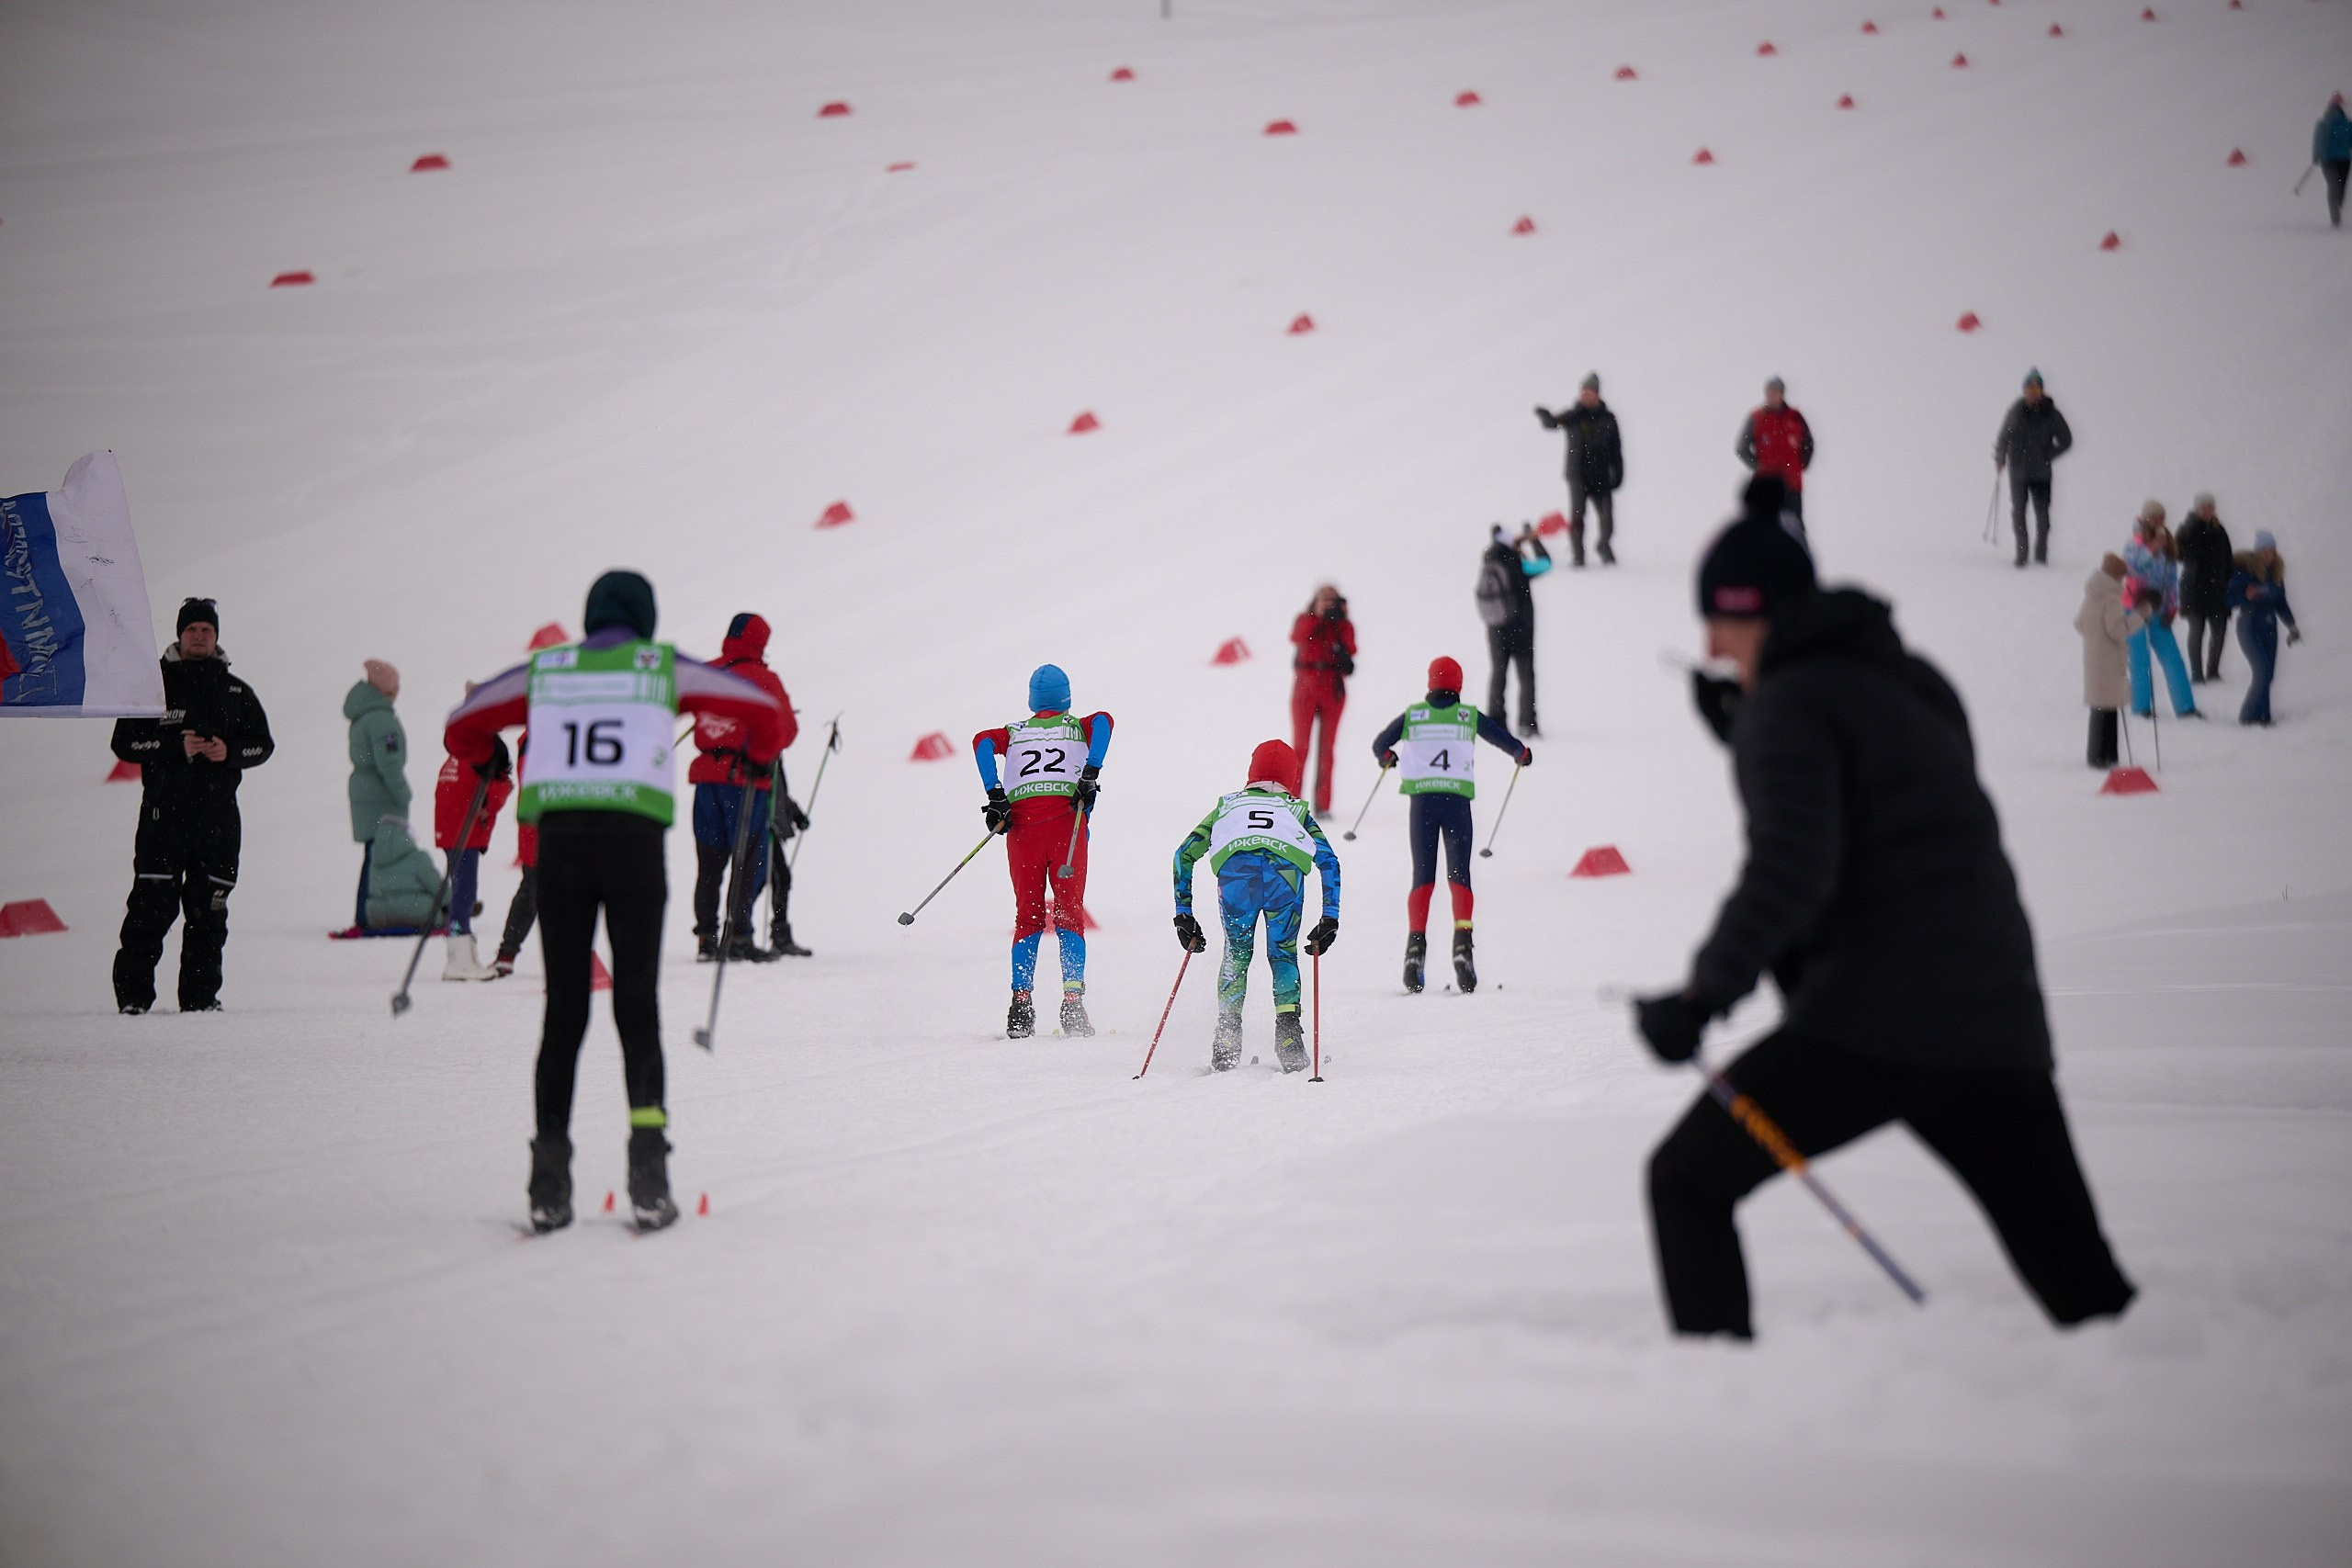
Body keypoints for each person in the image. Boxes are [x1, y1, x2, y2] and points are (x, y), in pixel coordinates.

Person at [1633, 518, 2136, 1341]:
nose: (1711, 644)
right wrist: (1748, 730)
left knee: (1687, 1179)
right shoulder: (1910, 677)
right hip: (1993, 1017)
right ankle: (2169, 1410)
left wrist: (1700, 997)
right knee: (2082, 1285)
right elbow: (1890, 802)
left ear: (1755, 613)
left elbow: (1792, 865)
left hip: (1872, 1024)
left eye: (1720, 620)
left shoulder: (1788, 707)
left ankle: (1717, 1416)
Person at [443, 570, 791, 1234]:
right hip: (632, 845)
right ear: (646, 618)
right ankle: (648, 1166)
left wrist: (485, 751)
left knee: (565, 1010)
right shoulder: (658, 667)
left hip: (561, 847)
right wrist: (757, 752)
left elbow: (463, 723)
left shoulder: (547, 670)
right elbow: (766, 713)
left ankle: (549, 1175)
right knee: (637, 1002)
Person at [108, 598, 275, 1013]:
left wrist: (229, 752)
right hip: (163, 820)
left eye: (206, 630)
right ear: (179, 635)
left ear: (216, 636)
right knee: (150, 910)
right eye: (192, 630)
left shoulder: (236, 690)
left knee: (209, 915)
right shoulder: (153, 685)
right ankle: (133, 1000)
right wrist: (173, 746)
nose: (199, 637)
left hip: (218, 823)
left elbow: (263, 745)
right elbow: (125, 742)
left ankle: (201, 1002)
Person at [1170, 739, 1342, 1072]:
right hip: (1284, 877)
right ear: (1291, 777)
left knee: (1237, 952)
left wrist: (1183, 912)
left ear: (1251, 773)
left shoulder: (1227, 806)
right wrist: (1330, 916)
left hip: (1238, 878)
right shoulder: (1297, 811)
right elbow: (1329, 861)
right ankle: (1289, 1033)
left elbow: (1184, 854)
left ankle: (1227, 1035)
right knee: (1283, 952)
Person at [1368, 655, 1532, 995]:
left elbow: (1380, 744)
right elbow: (1501, 738)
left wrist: (1388, 758)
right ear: (1457, 685)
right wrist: (1520, 753)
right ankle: (1462, 944)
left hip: (1422, 803)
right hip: (1456, 802)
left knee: (1422, 878)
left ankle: (1415, 949)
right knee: (1459, 874)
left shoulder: (1414, 715)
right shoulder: (1467, 716)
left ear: (1430, 683)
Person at [973, 665, 1114, 1040]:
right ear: (1066, 698)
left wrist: (995, 793)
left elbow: (981, 742)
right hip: (1066, 825)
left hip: (1021, 830)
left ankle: (1020, 1005)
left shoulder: (1015, 732)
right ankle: (1072, 1003)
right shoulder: (1079, 724)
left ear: (1032, 701)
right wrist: (1090, 772)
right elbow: (1105, 722)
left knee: (1028, 917)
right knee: (1070, 916)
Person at [687, 613, 797, 963]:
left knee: (709, 863)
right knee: (749, 861)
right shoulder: (764, 679)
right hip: (746, 780)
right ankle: (739, 936)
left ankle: (706, 937)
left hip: (706, 779)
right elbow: (787, 731)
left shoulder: (707, 673)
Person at [434, 728, 513, 977]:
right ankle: (459, 959)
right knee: (464, 894)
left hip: (450, 834)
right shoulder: (480, 762)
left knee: (462, 891)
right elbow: (496, 796)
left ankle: (461, 955)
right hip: (463, 835)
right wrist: (501, 783)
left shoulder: (457, 758)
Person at [343, 660, 410, 934]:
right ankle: (367, 914)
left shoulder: (364, 714)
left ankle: (367, 912)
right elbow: (389, 763)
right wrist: (403, 793)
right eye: (395, 683)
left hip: (365, 793)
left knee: (374, 854)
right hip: (381, 797)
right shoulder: (382, 719)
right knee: (379, 857)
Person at [1534, 373, 1624, 567]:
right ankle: (1578, 555)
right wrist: (1544, 416)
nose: (1585, 395)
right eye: (1583, 391)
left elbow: (1616, 449)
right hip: (1577, 475)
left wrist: (1618, 473)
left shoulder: (1608, 419)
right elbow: (1553, 423)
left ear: (1597, 394)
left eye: (1589, 392)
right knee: (1577, 517)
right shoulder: (1573, 416)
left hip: (1601, 475)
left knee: (1606, 517)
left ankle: (1604, 547)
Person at [2121, 502, 2200, 720]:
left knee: (2172, 657)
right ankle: (2141, 707)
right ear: (2146, 518)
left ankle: (2185, 707)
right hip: (2134, 608)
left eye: (2162, 517)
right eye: (2154, 517)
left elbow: (2171, 577)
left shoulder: (2167, 542)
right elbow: (2131, 567)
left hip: (2158, 608)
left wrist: (2172, 606)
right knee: (2139, 658)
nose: (2159, 521)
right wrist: (2151, 549)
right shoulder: (2134, 542)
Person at [1474, 524, 1552, 738]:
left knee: (1498, 673)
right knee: (1526, 675)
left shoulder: (1489, 560)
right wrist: (1533, 541)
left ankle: (1495, 720)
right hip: (1521, 627)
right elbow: (1545, 564)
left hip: (1496, 627)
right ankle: (1527, 723)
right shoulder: (1517, 563)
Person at [1992, 369, 2074, 568]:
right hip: (2018, 472)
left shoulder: (2051, 414)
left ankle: (2041, 556)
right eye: (2029, 388)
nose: (2032, 392)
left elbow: (2066, 440)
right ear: (2024, 390)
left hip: (2041, 474)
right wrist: (2000, 458)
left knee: (2042, 516)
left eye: (2036, 388)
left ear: (2042, 390)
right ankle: (2022, 555)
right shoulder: (2016, 412)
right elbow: (2004, 436)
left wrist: (2048, 455)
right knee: (2018, 513)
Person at [2075, 555, 2147, 769]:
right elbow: (2116, 630)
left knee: (2099, 708)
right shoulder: (2112, 598)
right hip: (2109, 660)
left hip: (2093, 657)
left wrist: (2095, 637)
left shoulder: (2092, 595)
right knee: (2110, 710)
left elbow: (2080, 624)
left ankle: (2095, 755)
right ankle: (2107, 756)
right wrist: (2140, 616)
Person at [1289, 584, 1356, 815]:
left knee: (1327, 750)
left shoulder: (1342, 625)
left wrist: (1341, 618)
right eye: (1324, 599)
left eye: (1332, 599)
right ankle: (1292, 800)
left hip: (1332, 688)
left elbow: (1351, 650)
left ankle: (1323, 805)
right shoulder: (1305, 620)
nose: (1329, 604)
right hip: (1305, 687)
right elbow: (1296, 637)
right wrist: (1317, 616)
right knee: (1300, 748)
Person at [2227, 531, 2301, 727]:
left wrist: (2292, 625)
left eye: (2272, 550)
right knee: (2262, 672)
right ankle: (2247, 716)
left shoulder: (2276, 574)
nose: (2268, 554)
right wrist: (2245, 596)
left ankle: (2263, 716)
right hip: (2249, 625)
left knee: (2269, 673)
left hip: (2270, 627)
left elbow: (2280, 602)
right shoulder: (2245, 571)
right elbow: (2228, 598)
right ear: (2257, 552)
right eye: (2264, 551)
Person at [1735, 377, 1814, 523]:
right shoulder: (1757, 417)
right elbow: (1741, 448)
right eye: (1769, 391)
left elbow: (1808, 443)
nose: (1772, 395)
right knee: (1764, 529)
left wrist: (1799, 465)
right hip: (1765, 486)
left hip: (1792, 485)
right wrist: (1759, 466)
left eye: (1775, 391)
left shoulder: (1795, 417)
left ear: (1782, 394)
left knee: (1794, 528)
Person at [2174, 493, 2234, 682]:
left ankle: (2213, 671)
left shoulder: (2219, 529)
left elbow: (2228, 558)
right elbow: (2180, 554)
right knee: (2197, 632)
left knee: (2219, 632)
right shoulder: (2187, 528)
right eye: (2204, 507)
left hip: (2217, 590)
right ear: (2197, 508)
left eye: (2211, 506)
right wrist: (2192, 531)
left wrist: (2228, 582)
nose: (2207, 510)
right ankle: (2197, 674)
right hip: (2194, 590)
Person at [364, 813, 447, 930]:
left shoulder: (375, 860)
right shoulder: (418, 858)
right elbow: (438, 889)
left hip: (378, 915)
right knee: (441, 907)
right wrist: (456, 903)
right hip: (417, 912)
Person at [2314, 91, 2350, 229]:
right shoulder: (2345, 124)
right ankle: (2336, 214)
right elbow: (2318, 141)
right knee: (2338, 186)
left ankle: (2336, 211)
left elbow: (2318, 141)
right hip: (2338, 160)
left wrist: (2316, 156)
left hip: (2332, 160)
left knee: (2336, 187)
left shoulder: (2325, 124)